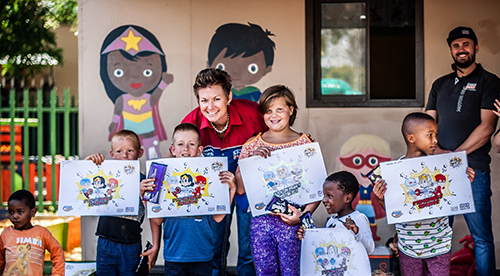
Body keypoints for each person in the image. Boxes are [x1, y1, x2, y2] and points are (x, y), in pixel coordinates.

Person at [425, 26, 500, 276]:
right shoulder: (439, 84)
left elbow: (487, 127)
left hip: (473, 170)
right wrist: (436, 152)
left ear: (476, 48)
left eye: (466, 44)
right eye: (456, 45)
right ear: (451, 50)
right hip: (439, 173)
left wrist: (454, 155)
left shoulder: (489, 81)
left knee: (481, 239)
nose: (461, 50)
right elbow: (427, 126)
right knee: (439, 237)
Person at [181, 68, 267, 276]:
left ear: (229, 96)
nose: (210, 107)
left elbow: (277, 137)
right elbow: (177, 159)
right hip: (214, 188)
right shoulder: (190, 123)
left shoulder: (252, 114)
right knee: (215, 244)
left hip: (249, 185)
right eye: (204, 100)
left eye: (216, 99)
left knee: (249, 246)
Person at [373, 112, 475, 276]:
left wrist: (462, 181)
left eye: (436, 135)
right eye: (429, 135)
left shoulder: (442, 165)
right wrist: (380, 198)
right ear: (411, 138)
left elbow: (451, 196)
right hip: (409, 245)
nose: (435, 140)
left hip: (440, 243)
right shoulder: (394, 172)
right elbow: (395, 211)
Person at [236, 85, 320, 275]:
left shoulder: (305, 143)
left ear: (291, 110)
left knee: (294, 272)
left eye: (279, 109)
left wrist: (303, 215)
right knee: (265, 272)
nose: (273, 115)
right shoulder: (252, 144)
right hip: (261, 225)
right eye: (268, 111)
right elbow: (240, 189)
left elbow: (317, 188)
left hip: (294, 223)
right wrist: (251, 162)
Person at [143, 122, 237, 276]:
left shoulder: (210, 176)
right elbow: (158, 220)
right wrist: (146, 197)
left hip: (204, 254)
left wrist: (232, 190)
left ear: (200, 150)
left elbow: (219, 217)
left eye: (191, 144)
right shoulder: (160, 175)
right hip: (174, 254)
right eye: (180, 144)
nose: (185, 149)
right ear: (172, 149)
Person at [86, 129, 156, 276]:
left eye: (130, 151)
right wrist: (88, 164)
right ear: (112, 155)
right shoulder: (104, 177)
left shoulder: (145, 182)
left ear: (140, 153)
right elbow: (84, 181)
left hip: (131, 244)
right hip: (105, 242)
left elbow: (154, 213)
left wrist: (143, 195)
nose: (124, 156)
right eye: (119, 151)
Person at [100, 24, 174, 159]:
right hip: (130, 129)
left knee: (152, 153)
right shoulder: (122, 99)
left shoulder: (147, 98)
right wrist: (113, 123)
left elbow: (156, 94)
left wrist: (164, 83)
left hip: (148, 129)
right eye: (119, 71)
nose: (134, 77)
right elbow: (117, 112)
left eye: (147, 71)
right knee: (127, 153)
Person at [297, 171, 375, 256]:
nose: (324, 200)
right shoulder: (331, 221)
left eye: (330, 196)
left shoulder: (358, 218)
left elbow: (370, 248)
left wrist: (357, 231)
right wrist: (306, 236)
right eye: (324, 196)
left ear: (347, 198)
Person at [0, 190, 65, 275]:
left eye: (20, 212)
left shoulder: (42, 233)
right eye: (11, 212)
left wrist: (58, 273)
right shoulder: (6, 233)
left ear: (33, 212)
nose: (14, 216)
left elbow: (58, 253)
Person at [208, 22, 276, 102]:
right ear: (209, 66)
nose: (235, 72)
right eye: (221, 67)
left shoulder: (255, 94)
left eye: (252, 68)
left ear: (267, 69)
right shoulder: (219, 94)